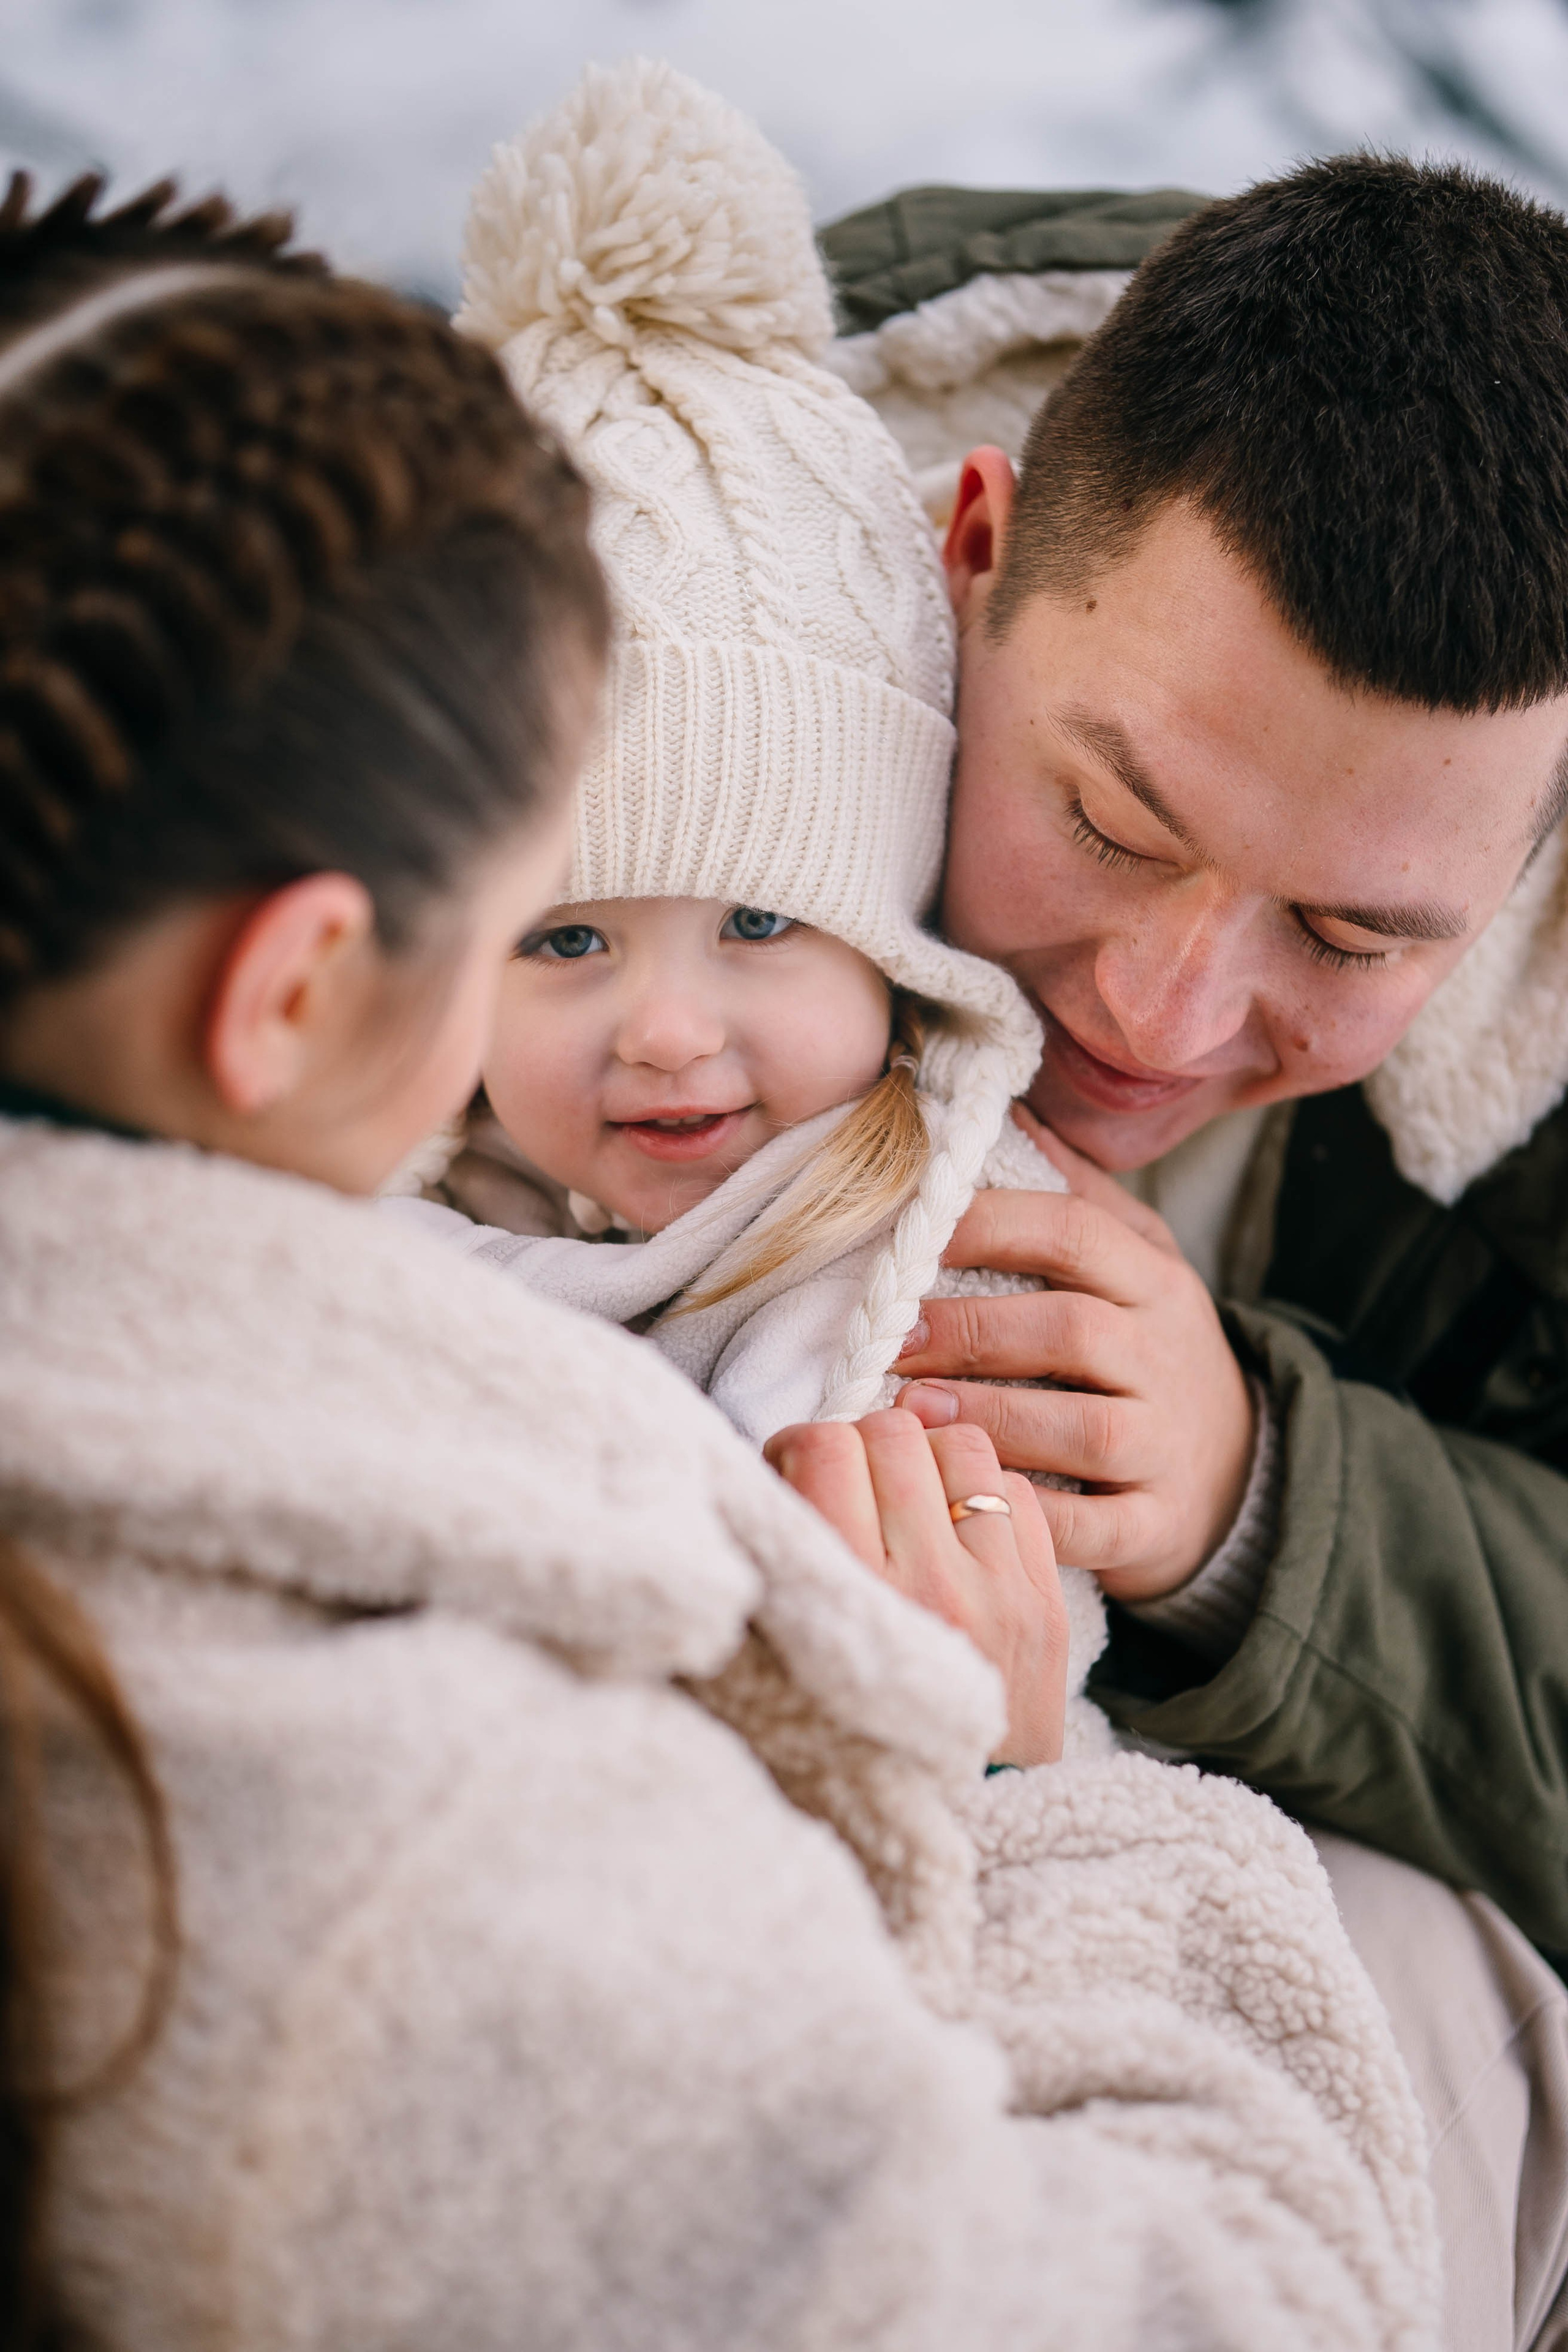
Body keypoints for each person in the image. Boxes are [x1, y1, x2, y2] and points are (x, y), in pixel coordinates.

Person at [0, 160, 1436, 2348]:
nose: (655, 1029)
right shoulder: (422, 1844)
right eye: (536, 919)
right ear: (290, 992)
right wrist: (1017, 1801)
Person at [816, 158, 1568, 2350]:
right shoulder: (607, 608)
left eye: (1351, 937)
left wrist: (1263, 1503)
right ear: (969, 551)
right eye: (1110, 822)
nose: (1159, 1013)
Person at [408, 59, 1121, 1758]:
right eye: (564, 939)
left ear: (894, 940)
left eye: (758, 923)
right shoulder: (377, 1222)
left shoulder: (948, 1267)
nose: (666, 1030)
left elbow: (1036, 1652)